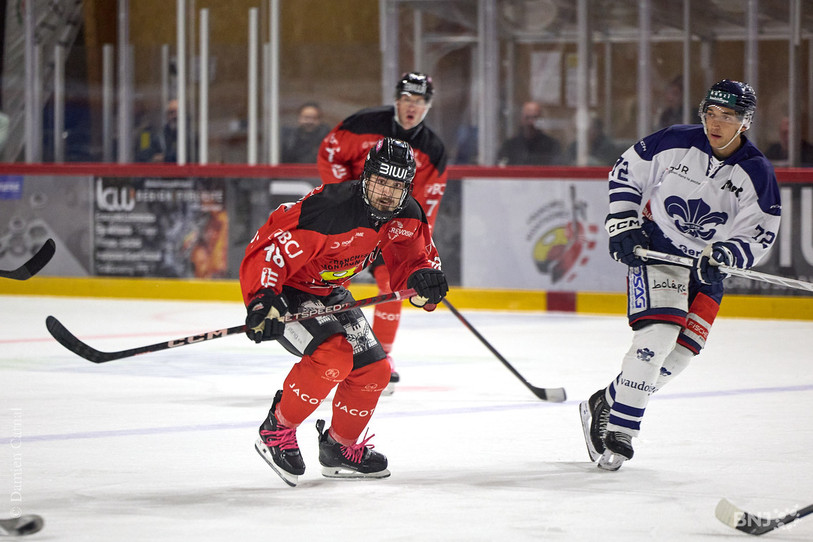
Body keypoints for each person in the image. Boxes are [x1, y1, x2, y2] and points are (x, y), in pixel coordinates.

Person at [579, 79, 781, 471]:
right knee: (657, 336)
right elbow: (626, 171)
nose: (715, 123)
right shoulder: (675, 140)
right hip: (658, 248)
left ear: (745, 122)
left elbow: (760, 232)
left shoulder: (756, 171)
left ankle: (606, 401)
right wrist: (623, 221)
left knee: (680, 355)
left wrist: (726, 253)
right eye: (711, 113)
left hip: (707, 267)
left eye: (727, 116)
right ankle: (621, 430)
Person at [241, 137, 448, 486]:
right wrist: (263, 299)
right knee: (333, 358)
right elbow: (269, 250)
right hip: (288, 289)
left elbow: (414, 261)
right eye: (381, 181)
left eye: (396, 186)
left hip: (330, 291)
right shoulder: (329, 209)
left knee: (375, 371)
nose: (386, 193)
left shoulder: (407, 216)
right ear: (366, 177)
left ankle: (339, 447)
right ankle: (277, 429)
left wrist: (423, 279)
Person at [317, 72, 448, 394]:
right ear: (396, 100)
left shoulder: (433, 149)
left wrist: (417, 253)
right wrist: (345, 196)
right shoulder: (362, 124)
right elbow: (330, 154)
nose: (412, 107)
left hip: (391, 224)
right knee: (335, 278)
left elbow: (426, 204)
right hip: (350, 216)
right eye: (406, 99)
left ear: (428, 106)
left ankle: (382, 356)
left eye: (419, 101)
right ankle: (333, 350)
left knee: (391, 282)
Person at [497, 101, 562, 165]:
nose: (531, 122)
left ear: (541, 120)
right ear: (521, 119)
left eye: (535, 118)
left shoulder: (552, 146)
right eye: (527, 118)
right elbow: (500, 166)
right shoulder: (509, 146)